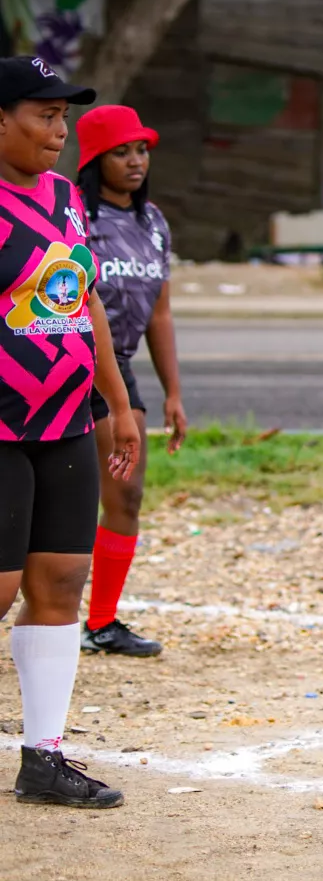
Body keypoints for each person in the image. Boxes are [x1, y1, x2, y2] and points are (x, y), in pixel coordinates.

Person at [0, 55, 140, 808]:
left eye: (64, 117)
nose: (60, 132)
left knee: (58, 583)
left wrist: (115, 404)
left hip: (62, 422)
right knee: (1, 585)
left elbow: (82, 303)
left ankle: (43, 758)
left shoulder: (62, 198)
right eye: (44, 115)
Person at [74, 104, 185, 657]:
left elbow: (159, 315)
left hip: (121, 366)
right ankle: (46, 610)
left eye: (141, 149)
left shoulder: (153, 223)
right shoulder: (75, 215)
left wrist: (173, 392)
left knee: (127, 493)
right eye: (122, 151)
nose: (136, 160)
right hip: (67, 365)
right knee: (62, 499)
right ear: (95, 159)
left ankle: (102, 623)